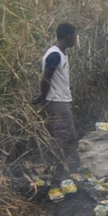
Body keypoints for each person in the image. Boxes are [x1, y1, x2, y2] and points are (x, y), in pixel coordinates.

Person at [33, 23, 78, 173]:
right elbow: (45, 79)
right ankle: (56, 176)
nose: (75, 39)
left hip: (63, 101)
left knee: (71, 138)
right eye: (74, 36)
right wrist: (43, 97)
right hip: (57, 103)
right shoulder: (55, 55)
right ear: (67, 36)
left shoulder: (61, 54)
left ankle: (61, 171)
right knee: (61, 138)